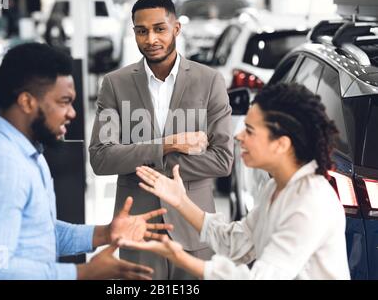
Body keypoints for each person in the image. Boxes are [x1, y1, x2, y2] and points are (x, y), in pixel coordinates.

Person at [0, 43, 173, 280]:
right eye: (63, 102)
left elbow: (41, 234)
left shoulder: (26, 152)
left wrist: (105, 233)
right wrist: (84, 273)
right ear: (27, 102)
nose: (72, 113)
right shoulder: (0, 164)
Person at [119, 82, 351, 280]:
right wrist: (181, 201)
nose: (238, 136)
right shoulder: (276, 187)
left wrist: (182, 259)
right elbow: (237, 241)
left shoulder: (308, 204)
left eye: (249, 131)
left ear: (281, 144)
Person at [89, 0, 233, 279]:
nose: (151, 39)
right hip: (138, 230)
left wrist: (142, 162)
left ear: (176, 29)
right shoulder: (115, 85)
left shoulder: (209, 81)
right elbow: (101, 157)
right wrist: (168, 145)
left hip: (196, 228)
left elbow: (222, 160)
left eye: (159, 29)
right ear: (134, 33)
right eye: (142, 31)